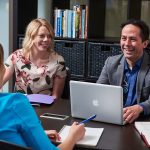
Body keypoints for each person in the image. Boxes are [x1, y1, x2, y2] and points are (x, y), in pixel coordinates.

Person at [0, 43, 85, 149]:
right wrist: (73, 136)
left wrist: (37, 133)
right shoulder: (15, 104)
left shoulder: (58, 60)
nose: (46, 40)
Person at [97, 19, 150, 124]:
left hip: (142, 122)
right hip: (114, 119)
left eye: (133, 39)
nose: (127, 44)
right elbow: (99, 91)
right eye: (123, 38)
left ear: (145, 43)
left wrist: (140, 107)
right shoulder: (111, 62)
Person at [3, 18, 66, 99]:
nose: (46, 39)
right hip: (21, 105)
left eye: (49, 36)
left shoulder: (59, 61)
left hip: (46, 108)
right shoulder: (17, 56)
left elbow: (56, 97)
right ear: (31, 37)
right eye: (41, 36)